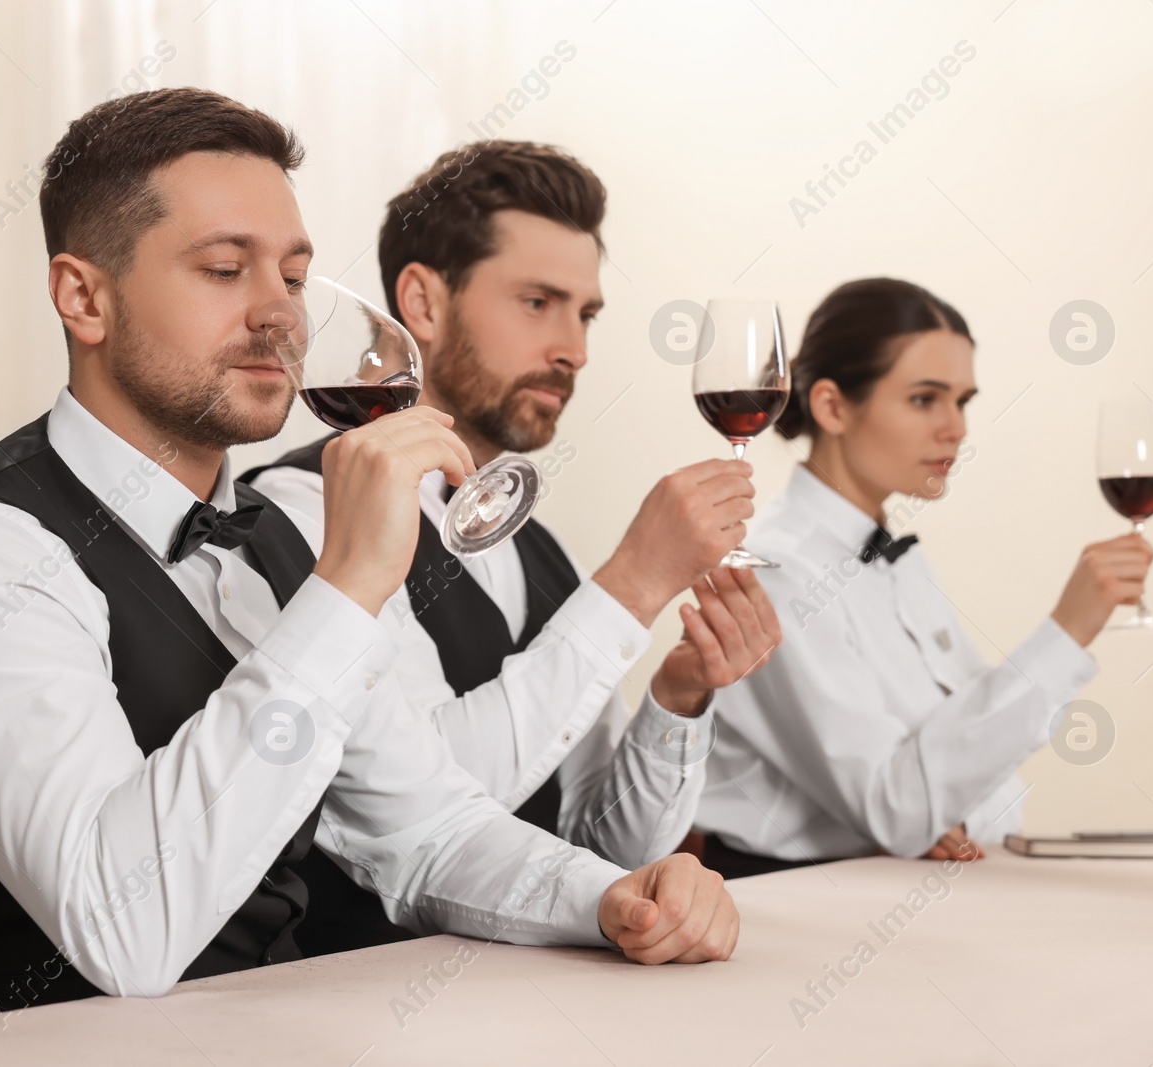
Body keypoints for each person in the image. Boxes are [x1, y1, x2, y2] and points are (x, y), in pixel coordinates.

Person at [0, 88, 738, 1033]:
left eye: (296, 277)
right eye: (226, 269)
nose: (280, 314)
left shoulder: (267, 541)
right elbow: (123, 931)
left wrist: (613, 899)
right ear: (84, 297)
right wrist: (347, 589)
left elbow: (424, 832)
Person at [246, 141, 781, 953]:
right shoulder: (305, 514)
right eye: (538, 302)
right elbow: (435, 811)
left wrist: (677, 698)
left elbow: (602, 845)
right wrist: (632, 585)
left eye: (586, 313)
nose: (575, 348)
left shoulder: (542, 551)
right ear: (421, 302)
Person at [692, 277, 1153, 877]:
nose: (956, 427)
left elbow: (971, 787)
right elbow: (902, 809)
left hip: (894, 889)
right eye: (924, 399)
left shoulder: (895, 555)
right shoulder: (779, 573)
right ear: (832, 406)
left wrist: (933, 805)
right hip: (783, 905)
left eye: (962, 401)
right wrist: (1066, 634)